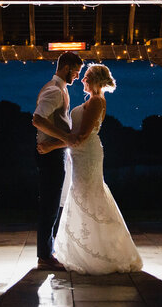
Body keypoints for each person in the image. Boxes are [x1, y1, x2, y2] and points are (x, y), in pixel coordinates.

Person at [39, 63, 142, 275]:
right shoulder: (92, 101)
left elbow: (82, 136)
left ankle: (99, 252)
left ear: (95, 80)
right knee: (83, 196)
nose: (82, 80)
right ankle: (85, 249)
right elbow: (76, 135)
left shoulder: (96, 102)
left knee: (88, 196)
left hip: (87, 154)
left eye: (86, 77)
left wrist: (52, 145)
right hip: (79, 154)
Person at [31, 51, 84, 270]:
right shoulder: (54, 91)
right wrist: (66, 138)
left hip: (55, 152)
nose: (78, 77)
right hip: (50, 154)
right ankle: (45, 256)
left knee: (53, 203)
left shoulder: (59, 89)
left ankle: (48, 252)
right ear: (66, 68)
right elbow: (37, 119)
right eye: (76, 72)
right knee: (50, 205)